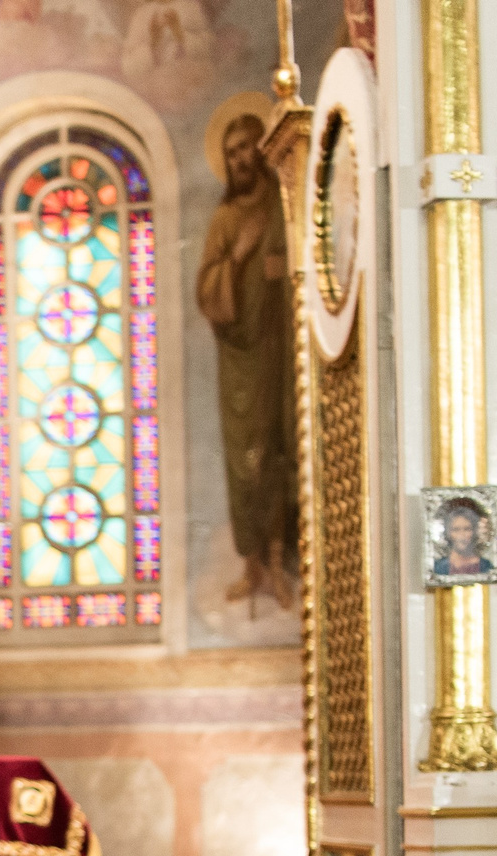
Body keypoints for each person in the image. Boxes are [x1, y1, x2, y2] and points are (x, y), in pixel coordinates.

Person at [196, 109, 300, 614]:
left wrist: (289, 270)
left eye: (247, 148)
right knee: (246, 463)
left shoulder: (286, 206)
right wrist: (235, 260)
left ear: (262, 151)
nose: (240, 159)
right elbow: (208, 292)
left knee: (282, 450)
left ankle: (280, 561)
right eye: (231, 151)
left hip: (284, 352)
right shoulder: (225, 220)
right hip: (241, 358)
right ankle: (253, 564)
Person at [429, 499, 494, 583]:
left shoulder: (486, 567)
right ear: (448, 533)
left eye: (467, 529)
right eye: (456, 529)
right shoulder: (439, 568)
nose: (462, 535)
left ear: (474, 531)